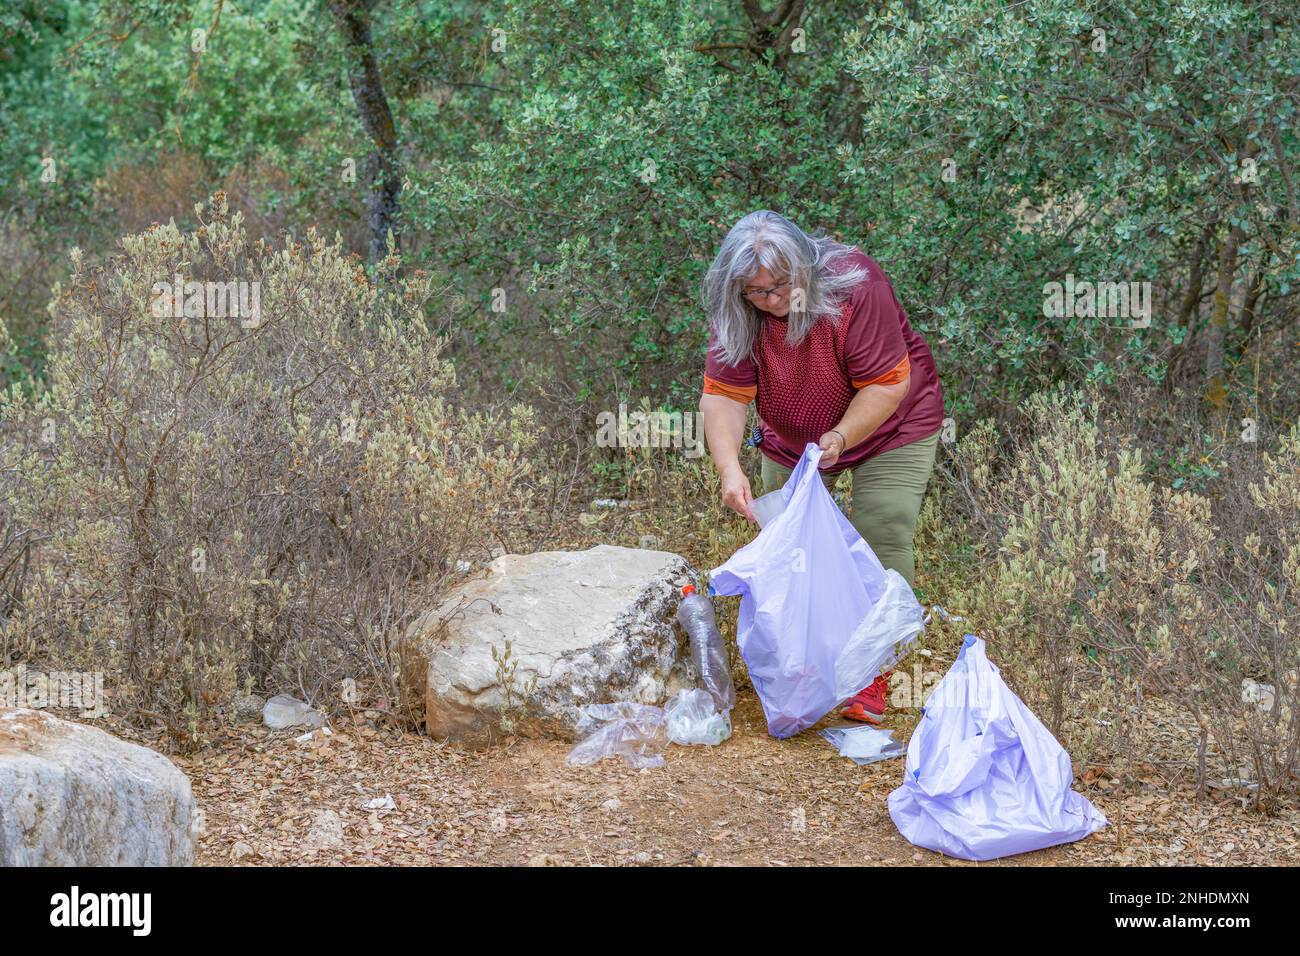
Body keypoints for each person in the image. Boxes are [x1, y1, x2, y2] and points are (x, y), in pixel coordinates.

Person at [698, 210, 944, 723]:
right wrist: (729, 470)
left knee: (882, 527)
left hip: (891, 422)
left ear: (807, 268)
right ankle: (804, 661)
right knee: (790, 539)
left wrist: (840, 437)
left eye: (783, 286)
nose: (772, 300)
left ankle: (875, 673)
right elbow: (723, 395)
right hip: (793, 434)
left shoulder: (856, 285)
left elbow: (886, 383)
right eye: (757, 292)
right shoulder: (736, 309)